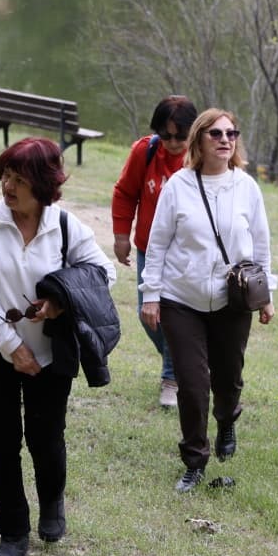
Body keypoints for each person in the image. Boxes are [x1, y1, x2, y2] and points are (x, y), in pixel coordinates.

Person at [0, 137, 116, 556]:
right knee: (2, 443)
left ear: (44, 185)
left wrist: (61, 301)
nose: (8, 186)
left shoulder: (65, 225)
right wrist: (12, 347)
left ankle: (52, 502)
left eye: (19, 179)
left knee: (46, 439)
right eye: (5, 176)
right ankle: (12, 534)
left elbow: (104, 273)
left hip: (51, 353)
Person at [140, 109, 275, 492]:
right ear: (199, 139)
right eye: (216, 133)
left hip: (232, 300)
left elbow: (261, 244)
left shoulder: (246, 187)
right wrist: (151, 295)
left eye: (231, 133)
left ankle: (227, 419)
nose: (225, 140)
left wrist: (267, 295)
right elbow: (158, 243)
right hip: (181, 299)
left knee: (228, 378)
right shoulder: (178, 186)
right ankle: (195, 460)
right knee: (192, 384)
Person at [111, 95, 198, 409]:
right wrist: (121, 236)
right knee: (146, 313)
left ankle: (172, 378)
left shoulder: (202, 157)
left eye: (180, 136)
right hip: (149, 248)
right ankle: (189, 365)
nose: (173, 143)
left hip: (187, 253)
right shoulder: (145, 151)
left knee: (174, 315)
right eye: (166, 135)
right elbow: (125, 193)